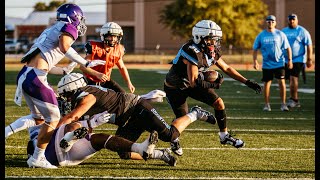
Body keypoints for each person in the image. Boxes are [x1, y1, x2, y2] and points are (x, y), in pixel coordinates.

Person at [13, 3, 106, 168]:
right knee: (54, 118)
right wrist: (85, 62)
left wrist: (64, 71)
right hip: (36, 77)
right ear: (73, 17)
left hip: (27, 74)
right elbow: (65, 47)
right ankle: (37, 158)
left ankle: (7, 132)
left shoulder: (50, 30)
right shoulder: (68, 26)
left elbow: (45, 62)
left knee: (38, 118)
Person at [56, 73, 216, 166]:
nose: (66, 100)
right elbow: (85, 128)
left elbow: (74, 116)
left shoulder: (87, 97)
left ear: (74, 89)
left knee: (170, 135)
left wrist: (55, 129)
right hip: (127, 120)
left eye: (66, 95)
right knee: (124, 152)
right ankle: (160, 154)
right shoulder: (85, 95)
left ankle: (195, 113)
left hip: (138, 109)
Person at [163, 19, 262, 156]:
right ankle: (175, 139)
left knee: (218, 103)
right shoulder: (191, 50)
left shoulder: (211, 50)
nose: (214, 43)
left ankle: (224, 136)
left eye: (215, 39)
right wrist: (214, 84)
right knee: (182, 118)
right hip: (176, 86)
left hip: (192, 82)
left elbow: (226, 68)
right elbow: (193, 82)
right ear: (200, 37)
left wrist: (246, 81)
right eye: (211, 39)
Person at [25, 115, 161, 167]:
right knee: (72, 124)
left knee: (99, 138)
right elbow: (33, 145)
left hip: (70, 156)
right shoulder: (37, 119)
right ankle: (68, 141)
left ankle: (140, 148)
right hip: (49, 153)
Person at [79, 22, 135, 93]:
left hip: (105, 81)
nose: (113, 39)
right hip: (89, 81)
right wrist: (97, 74)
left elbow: (122, 67)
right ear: (103, 36)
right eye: (110, 36)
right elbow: (82, 67)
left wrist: (129, 83)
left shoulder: (118, 50)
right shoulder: (94, 48)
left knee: (123, 95)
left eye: (115, 36)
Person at [253, 15, 293, 112]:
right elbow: (255, 49)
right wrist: (255, 61)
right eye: (268, 21)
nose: (270, 23)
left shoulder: (280, 34)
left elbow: (288, 47)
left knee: (282, 83)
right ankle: (267, 105)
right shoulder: (261, 35)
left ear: (275, 23)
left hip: (279, 63)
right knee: (267, 84)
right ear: (266, 23)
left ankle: (283, 104)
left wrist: (290, 60)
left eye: (272, 21)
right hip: (267, 64)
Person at [282, 13, 313, 108]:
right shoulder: (283, 31)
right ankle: (293, 98)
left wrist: (309, 59)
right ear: (288, 20)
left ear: (297, 20)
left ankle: (294, 100)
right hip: (285, 59)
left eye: (293, 19)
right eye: (290, 19)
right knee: (287, 79)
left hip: (298, 59)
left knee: (293, 78)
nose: (291, 21)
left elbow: (309, 45)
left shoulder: (302, 31)